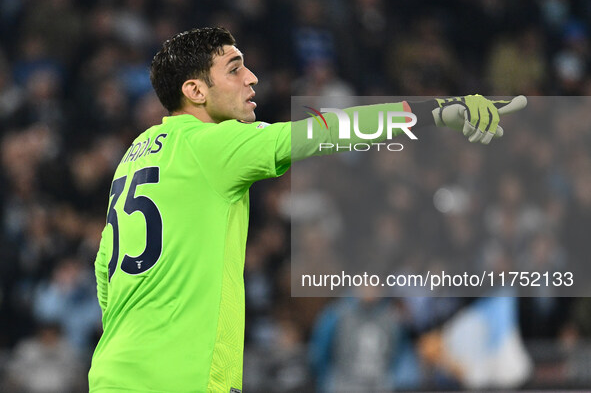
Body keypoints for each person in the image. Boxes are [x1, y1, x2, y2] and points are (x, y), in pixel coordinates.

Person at [88, 27, 526, 392]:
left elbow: (105, 269)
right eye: (235, 68)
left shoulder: (137, 153)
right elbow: (330, 131)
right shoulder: (214, 145)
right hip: (178, 378)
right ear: (195, 90)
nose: (252, 78)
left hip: (113, 371)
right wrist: (440, 112)